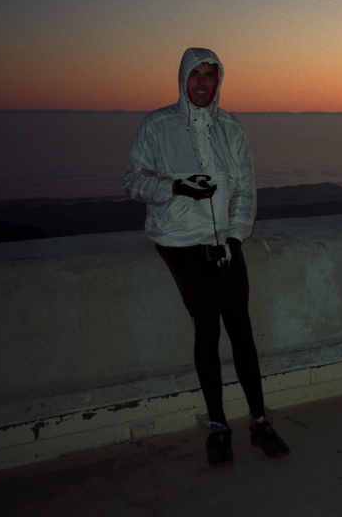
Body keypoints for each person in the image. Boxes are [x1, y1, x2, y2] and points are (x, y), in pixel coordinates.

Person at [123, 47, 289, 466]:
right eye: (194, 74)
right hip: (179, 242)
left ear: (219, 81)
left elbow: (245, 189)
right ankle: (217, 426)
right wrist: (178, 186)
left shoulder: (231, 127)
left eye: (209, 75)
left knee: (241, 327)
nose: (201, 82)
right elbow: (134, 181)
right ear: (182, 78)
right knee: (207, 329)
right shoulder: (157, 125)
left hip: (223, 242)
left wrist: (234, 239)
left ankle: (258, 420)